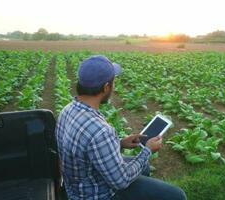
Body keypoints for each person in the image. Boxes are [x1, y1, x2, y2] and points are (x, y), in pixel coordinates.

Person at [55, 55, 186, 200]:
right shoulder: (100, 130)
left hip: (76, 186)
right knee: (176, 195)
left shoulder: (67, 110)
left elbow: (87, 148)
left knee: (144, 167)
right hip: (96, 194)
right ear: (106, 87)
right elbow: (121, 181)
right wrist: (148, 150)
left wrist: (120, 143)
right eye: (113, 82)